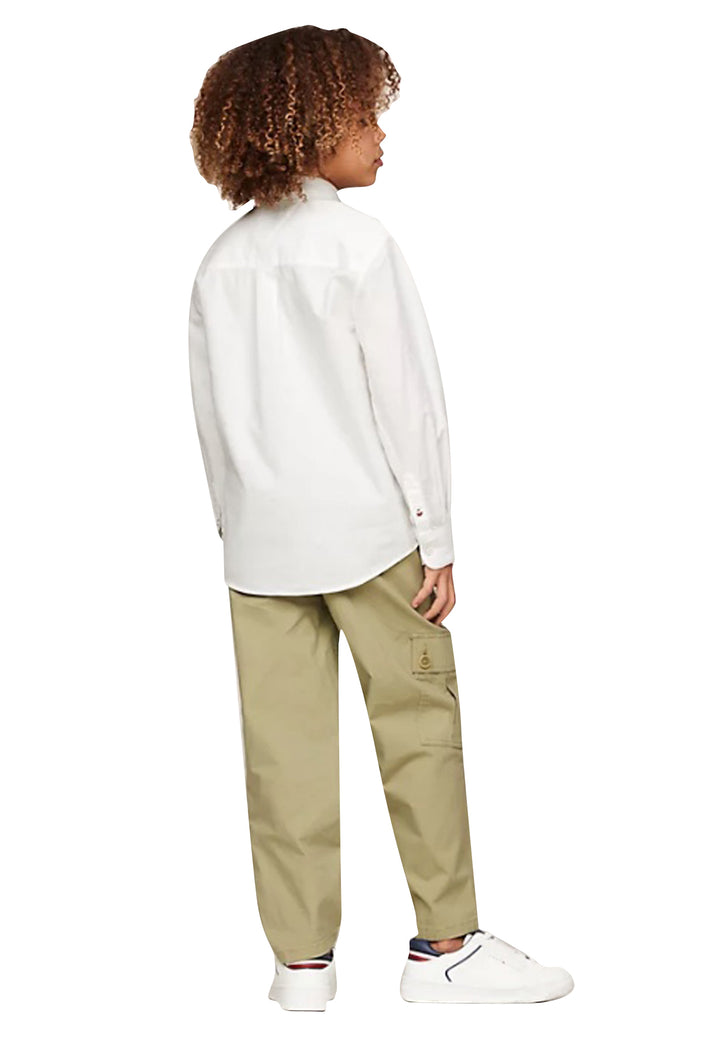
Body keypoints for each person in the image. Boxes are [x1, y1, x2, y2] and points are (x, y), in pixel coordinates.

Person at [188, 24, 573, 1011]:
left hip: (260, 549)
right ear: (310, 125)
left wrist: (237, 527)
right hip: (371, 537)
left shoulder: (221, 261)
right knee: (418, 731)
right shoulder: (359, 246)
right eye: (364, 115)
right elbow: (411, 404)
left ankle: (301, 965)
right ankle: (445, 947)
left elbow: (212, 419)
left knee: (282, 754)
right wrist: (437, 541)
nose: (381, 134)